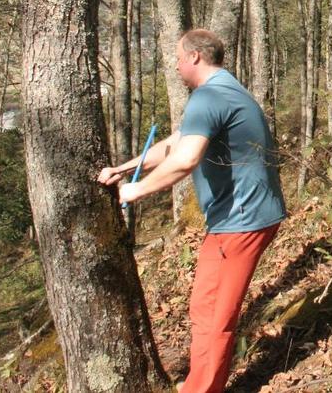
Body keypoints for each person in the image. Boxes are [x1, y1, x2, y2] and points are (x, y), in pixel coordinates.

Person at [97, 29, 286, 393]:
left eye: (179, 58)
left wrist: (135, 190)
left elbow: (185, 159)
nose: (176, 64)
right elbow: (173, 145)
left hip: (241, 221)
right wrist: (126, 168)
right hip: (244, 217)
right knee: (205, 308)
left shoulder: (209, 97)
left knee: (214, 314)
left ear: (196, 57)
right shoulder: (224, 89)